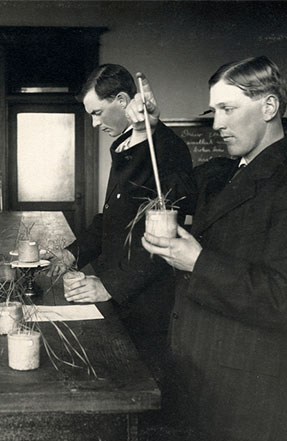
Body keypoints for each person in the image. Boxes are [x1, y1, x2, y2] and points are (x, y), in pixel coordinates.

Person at [141, 56, 287, 441]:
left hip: (246, 404)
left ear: (268, 107)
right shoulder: (220, 173)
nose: (216, 125)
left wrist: (197, 261)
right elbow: (166, 178)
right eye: (215, 112)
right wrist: (151, 128)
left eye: (228, 110)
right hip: (196, 383)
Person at [48, 64, 194, 357]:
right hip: (121, 294)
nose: (93, 123)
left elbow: (165, 238)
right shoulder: (125, 145)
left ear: (123, 101)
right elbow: (111, 218)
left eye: (97, 113)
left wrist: (110, 287)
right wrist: (71, 254)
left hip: (147, 303)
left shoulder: (166, 149)